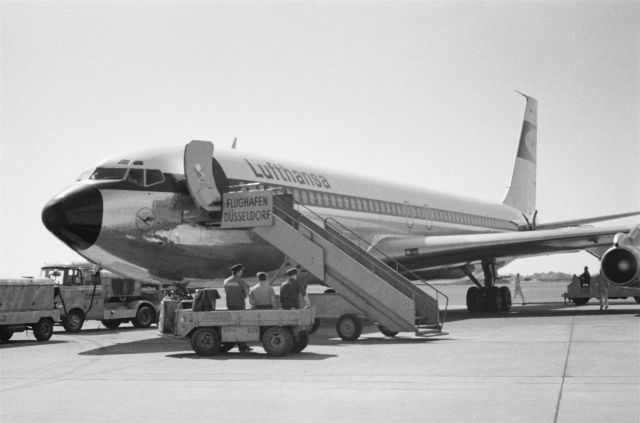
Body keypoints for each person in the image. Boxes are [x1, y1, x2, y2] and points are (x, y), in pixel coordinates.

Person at [223, 263, 252, 351]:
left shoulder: (226, 281)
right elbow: (246, 294)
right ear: (238, 272)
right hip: (240, 305)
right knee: (241, 325)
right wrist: (247, 290)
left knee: (233, 325)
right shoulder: (241, 281)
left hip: (230, 306)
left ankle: (231, 343)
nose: (242, 272)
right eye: (241, 271)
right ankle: (242, 345)